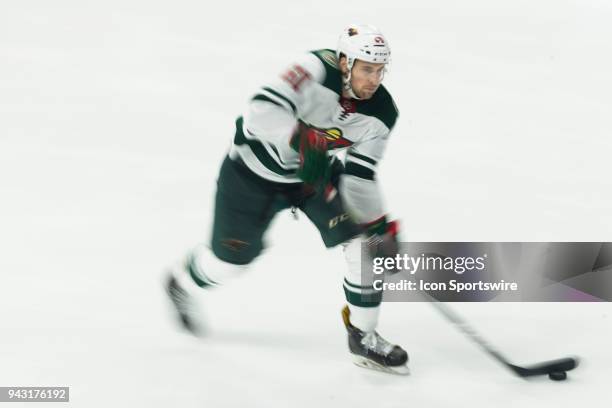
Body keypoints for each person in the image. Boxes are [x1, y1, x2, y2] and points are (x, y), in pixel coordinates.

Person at [165, 24, 409, 375]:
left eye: (379, 70)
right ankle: (181, 281)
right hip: (251, 176)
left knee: (363, 247)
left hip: (311, 182)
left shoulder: (382, 114)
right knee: (230, 264)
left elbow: (360, 175)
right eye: (366, 69)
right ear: (345, 63)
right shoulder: (311, 70)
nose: (374, 79)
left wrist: (376, 225)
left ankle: (363, 338)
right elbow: (259, 112)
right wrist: (300, 139)